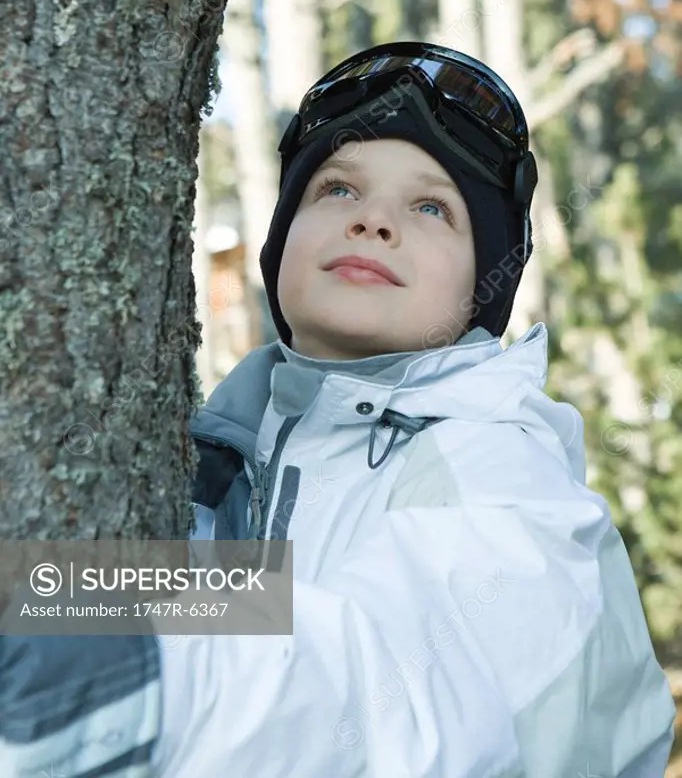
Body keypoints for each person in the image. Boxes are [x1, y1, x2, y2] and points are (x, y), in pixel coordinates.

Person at [0, 43, 675, 777]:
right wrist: (41, 594)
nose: (374, 221)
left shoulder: (500, 470)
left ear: (482, 290)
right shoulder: (233, 451)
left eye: (430, 207)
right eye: (338, 190)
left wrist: (101, 678)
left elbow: (404, 702)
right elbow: (241, 609)